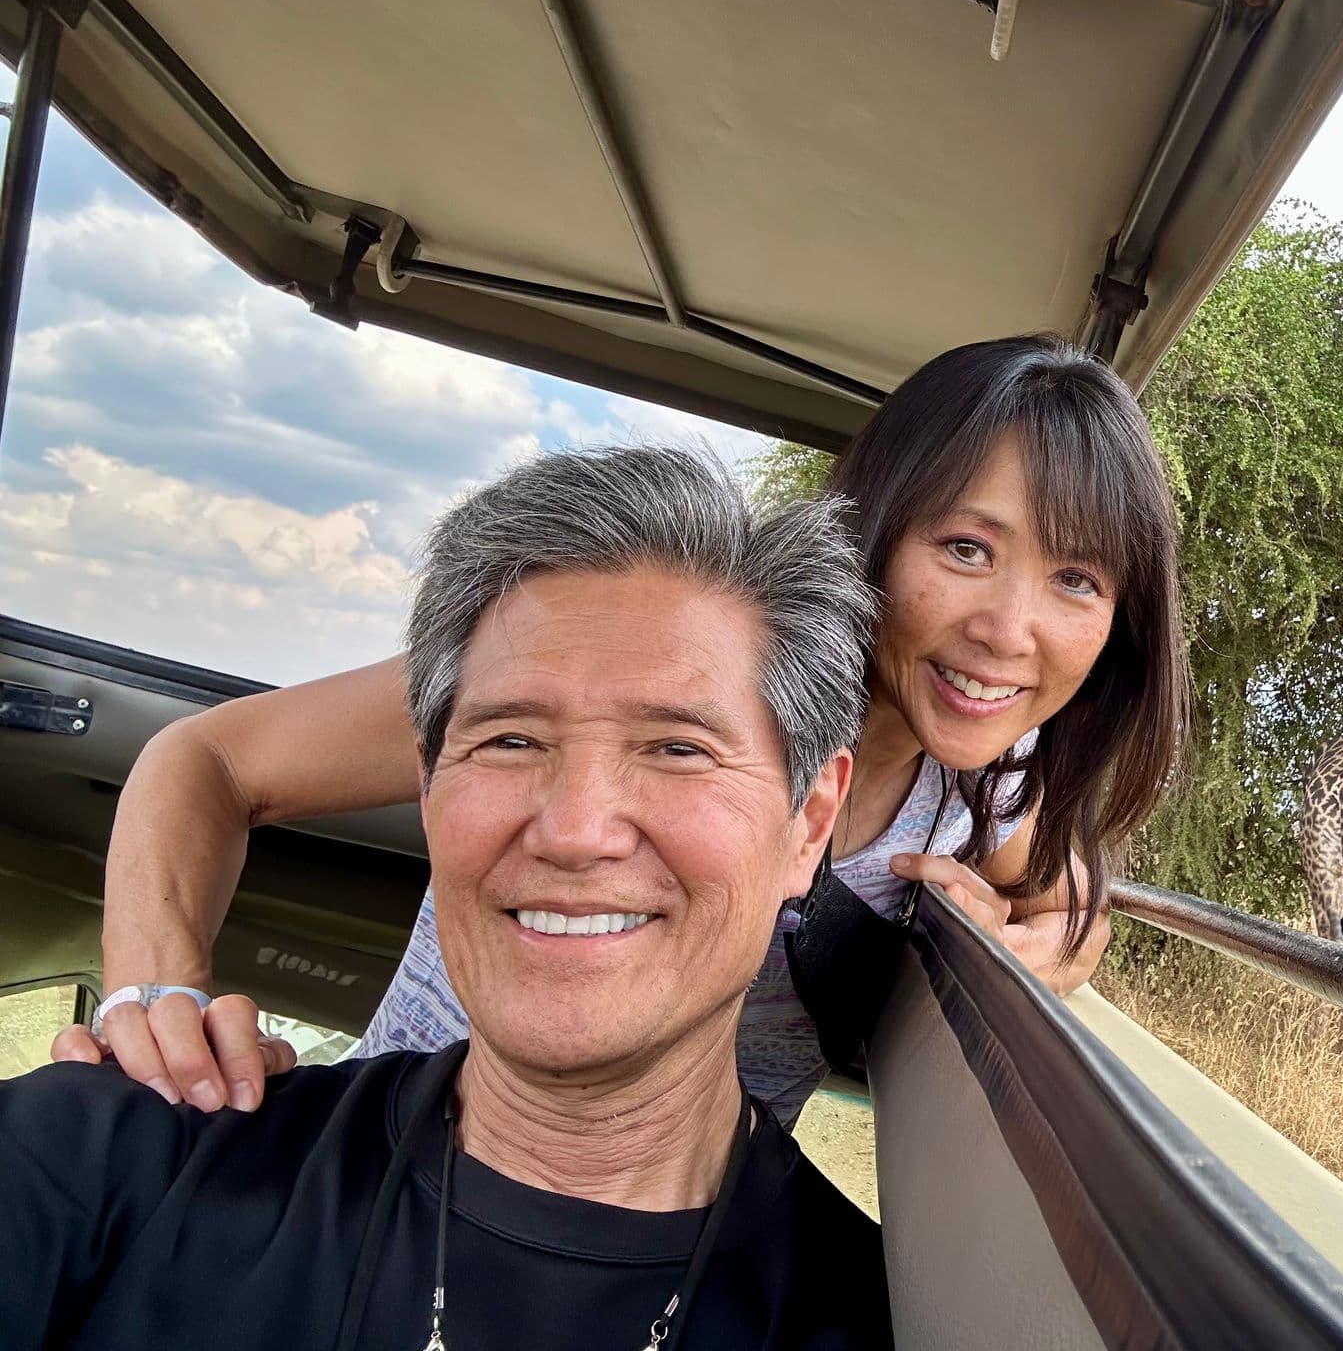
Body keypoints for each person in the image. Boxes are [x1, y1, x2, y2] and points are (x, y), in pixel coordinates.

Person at [56, 335, 1189, 1124]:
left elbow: (1053, 885)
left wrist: (1075, 906)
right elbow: (205, 757)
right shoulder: (667, 664)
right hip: (386, 1174)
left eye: (1077, 579)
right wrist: (156, 1005)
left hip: (674, 1268)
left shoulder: (970, 799)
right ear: (880, 528)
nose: (1009, 631)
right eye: (965, 549)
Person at [1, 446, 891, 1349]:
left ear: (808, 825)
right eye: (510, 740)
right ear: (429, 787)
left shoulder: (889, 1322)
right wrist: (153, 1012)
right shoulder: (115, 1157)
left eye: (677, 749)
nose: (575, 830)